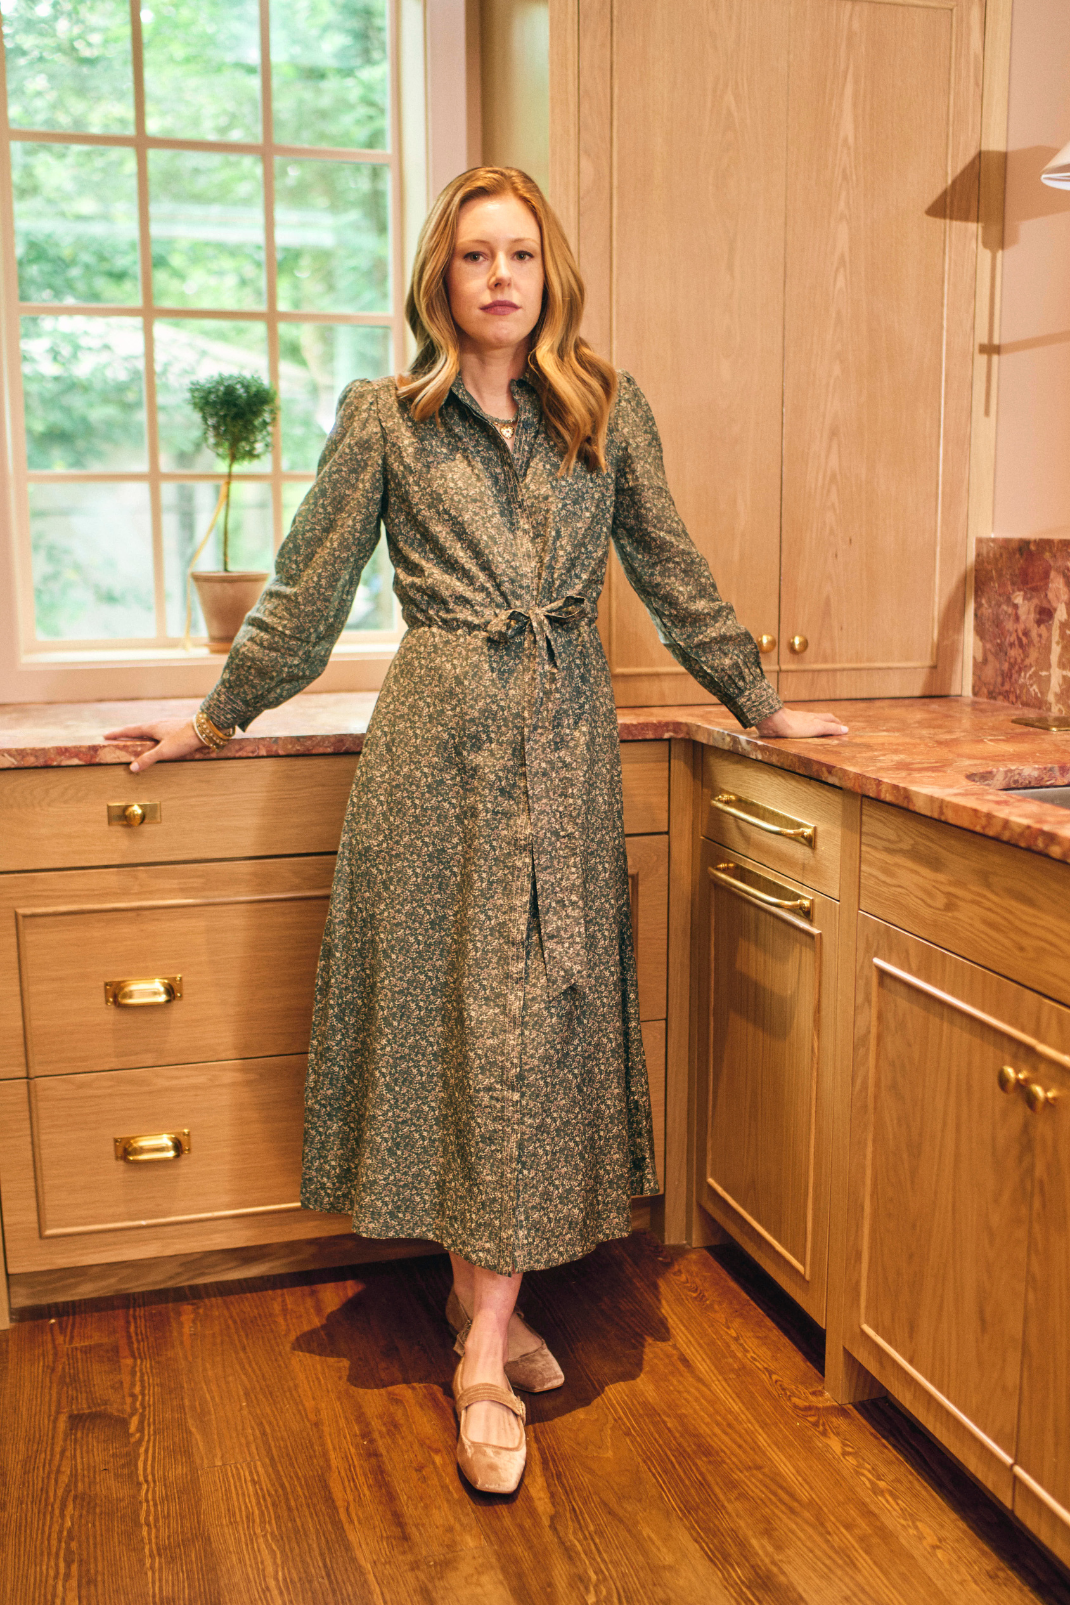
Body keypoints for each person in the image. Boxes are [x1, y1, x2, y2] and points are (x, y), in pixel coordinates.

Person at [107, 166, 848, 1496]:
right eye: (471, 258)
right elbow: (305, 592)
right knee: (469, 1023)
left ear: (548, 272)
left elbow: (671, 568)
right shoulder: (386, 419)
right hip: (437, 757)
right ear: (437, 282)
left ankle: (479, 1314)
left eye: (517, 254)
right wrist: (214, 720)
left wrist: (762, 702)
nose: (497, 277)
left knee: (534, 1023)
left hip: (562, 749)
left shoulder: (602, 412)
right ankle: (482, 1351)